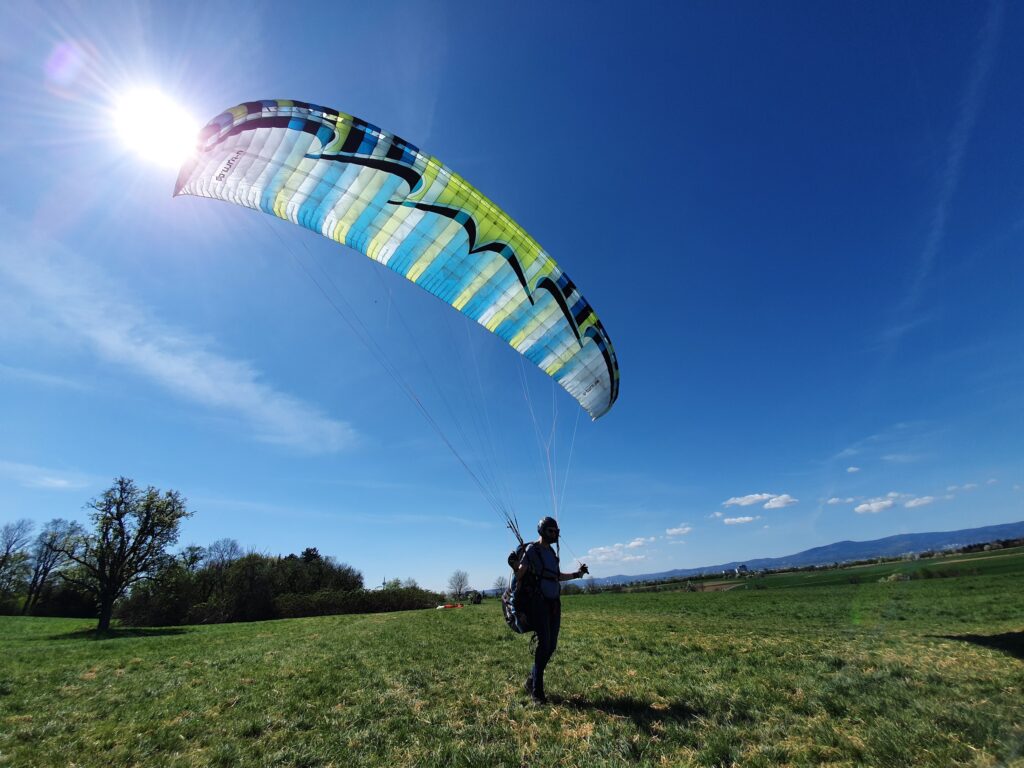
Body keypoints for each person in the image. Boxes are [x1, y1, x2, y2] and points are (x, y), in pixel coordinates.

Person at [515, 516, 588, 703]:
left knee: (551, 646)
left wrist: (577, 574)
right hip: (538, 603)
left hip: (554, 603)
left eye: (556, 532)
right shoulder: (532, 549)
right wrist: (515, 565)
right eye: (551, 531)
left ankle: (531, 680)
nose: (555, 534)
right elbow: (521, 572)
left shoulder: (553, 554)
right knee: (544, 645)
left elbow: (555, 576)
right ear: (542, 531)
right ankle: (537, 693)